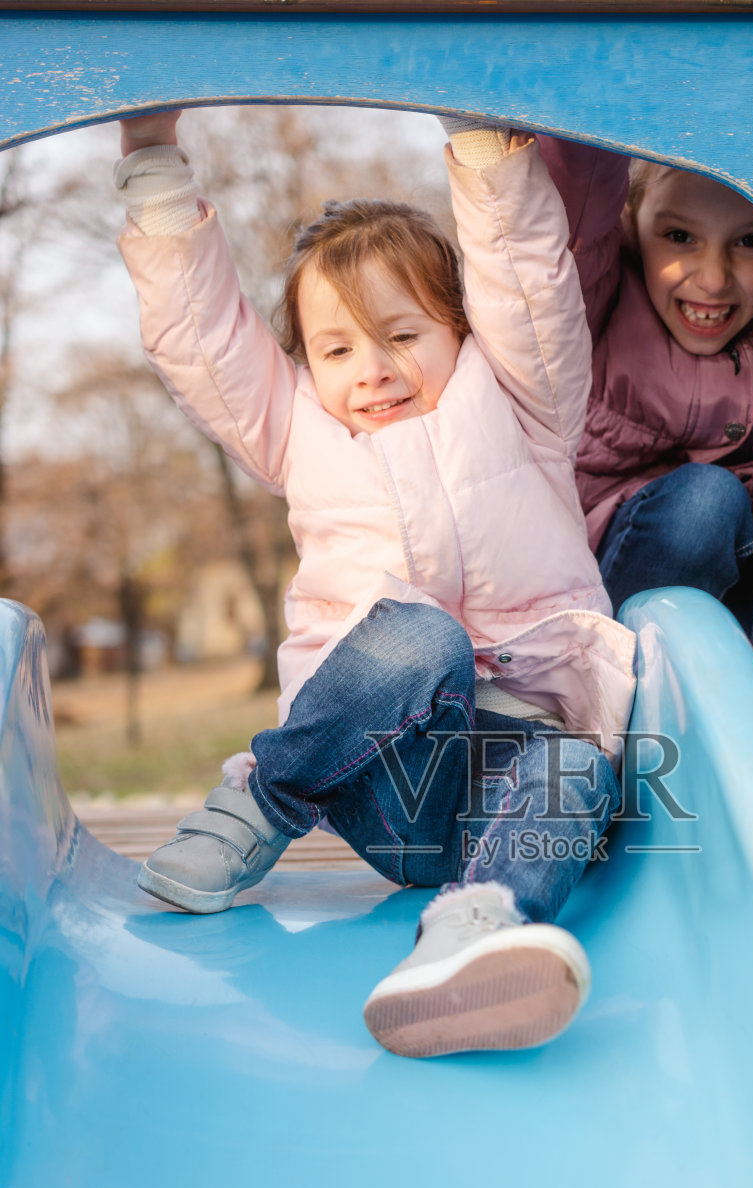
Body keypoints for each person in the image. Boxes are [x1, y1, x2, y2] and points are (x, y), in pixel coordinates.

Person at [114, 110, 636, 1058]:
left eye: (403, 334)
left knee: (578, 767)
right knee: (418, 635)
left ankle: (475, 930)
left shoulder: (525, 401)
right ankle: (262, 804)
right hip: (366, 774)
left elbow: (525, 279)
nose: (375, 370)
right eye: (339, 349)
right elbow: (201, 340)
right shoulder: (294, 431)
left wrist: (479, 139)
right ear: (307, 363)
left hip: (501, 789)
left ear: (459, 330)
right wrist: (151, 158)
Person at [538, 138, 753, 712]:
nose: (712, 279)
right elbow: (575, 203)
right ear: (630, 226)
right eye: (679, 237)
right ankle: (635, 708)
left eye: (749, 242)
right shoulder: (594, 305)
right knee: (706, 500)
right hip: (636, 582)